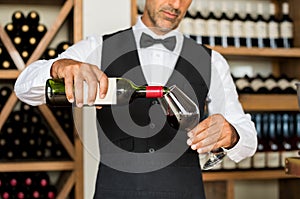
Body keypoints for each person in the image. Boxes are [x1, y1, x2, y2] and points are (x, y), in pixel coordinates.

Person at [15, 0, 257, 198]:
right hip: (115, 192)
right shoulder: (98, 47)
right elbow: (24, 88)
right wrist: (61, 67)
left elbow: (248, 138)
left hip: (186, 192)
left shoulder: (212, 61)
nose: (175, 4)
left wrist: (231, 133)